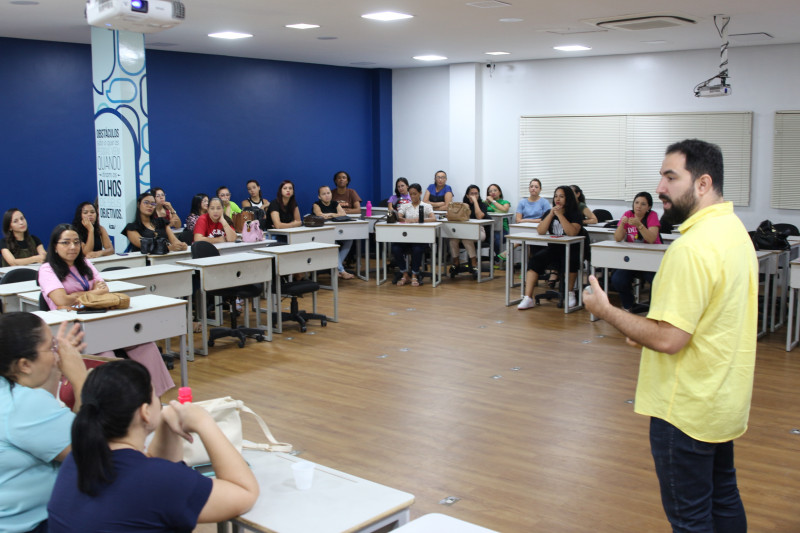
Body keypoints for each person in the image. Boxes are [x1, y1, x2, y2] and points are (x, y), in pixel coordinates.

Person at [583, 139, 757, 532]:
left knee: (691, 519)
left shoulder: (691, 247)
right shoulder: (733, 231)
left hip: (685, 409)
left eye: (670, 176)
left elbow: (668, 339)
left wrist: (608, 311)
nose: (659, 187)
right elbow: (695, 320)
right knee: (723, 495)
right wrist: (643, 330)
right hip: (721, 401)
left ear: (702, 183)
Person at [47, 359, 259, 532]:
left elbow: (154, 472)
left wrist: (165, 422)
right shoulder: (157, 480)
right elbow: (244, 492)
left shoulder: (78, 460)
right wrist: (204, 422)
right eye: (156, 396)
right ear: (144, 412)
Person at [39, 224, 175, 397]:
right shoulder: (47, 269)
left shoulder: (85, 263)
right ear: (55, 246)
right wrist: (93, 293)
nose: (72, 247)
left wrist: (80, 295)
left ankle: (153, 398)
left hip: (98, 317)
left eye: (76, 242)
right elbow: (60, 300)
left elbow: (104, 289)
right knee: (106, 353)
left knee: (145, 343)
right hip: (72, 327)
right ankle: (117, 405)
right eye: (66, 243)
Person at [0, 314, 88, 533]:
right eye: (51, 347)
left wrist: (52, 364)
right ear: (24, 364)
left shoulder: (11, 392)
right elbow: (93, 448)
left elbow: (42, 410)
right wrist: (80, 378)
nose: (57, 352)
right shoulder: (22, 406)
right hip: (32, 526)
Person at [517, 186, 583, 310]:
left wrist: (560, 215)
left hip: (572, 250)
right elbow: (541, 231)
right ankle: (528, 298)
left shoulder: (575, 213)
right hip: (554, 249)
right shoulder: (549, 212)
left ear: (568, 198)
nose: (558, 199)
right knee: (534, 261)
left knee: (571, 261)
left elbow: (572, 232)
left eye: (561, 196)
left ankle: (570, 293)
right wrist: (551, 214)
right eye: (556, 196)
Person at [610, 192, 662, 311]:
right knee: (618, 279)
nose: (638, 206)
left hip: (650, 259)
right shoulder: (628, 214)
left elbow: (651, 239)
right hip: (631, 259)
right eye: (636, 203)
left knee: (656, 281)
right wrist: (622, 224)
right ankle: (628, 305)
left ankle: (655, 309)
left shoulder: (652, 216)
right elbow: (617, 238)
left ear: (648, 208)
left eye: (643, 204)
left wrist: (639, 225)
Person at [393, 183, 436, 287]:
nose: (412, 196)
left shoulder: (426, 206)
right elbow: (399, 217)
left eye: (415, 194)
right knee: (395, 248)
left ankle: (415, 274)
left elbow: (433, 218)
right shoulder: (405, 206)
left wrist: (418, 220)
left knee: (417, 249)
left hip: (421, 239)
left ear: (420, 193)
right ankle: (404, 274)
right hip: (407, 238)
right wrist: (405, 219)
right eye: (411, 194)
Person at [122, 192, 188, 253]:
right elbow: (145, 246)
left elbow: (174, 240)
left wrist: (181, 245)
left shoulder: (161, 221)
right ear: (139, 205)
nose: (150, 206)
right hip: (144, 261)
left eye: (153, 203)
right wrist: (169, 248)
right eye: (146, 202)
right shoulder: (131, 227)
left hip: (166, 257)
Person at [313, 185, 354, 279]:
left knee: (349, 240)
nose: (327, 195)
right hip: (322, 234)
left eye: (328, 193)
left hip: (336, 231)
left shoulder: (335, 203)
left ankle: (336, 268)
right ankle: (341, 270)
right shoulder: (316, 204)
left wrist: (330, 214)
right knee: (333, 242)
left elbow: (343, 214)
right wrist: (336, 215)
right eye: (323, 194)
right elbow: (320, 215)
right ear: (319, 196)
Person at [448, 184, 488, 277]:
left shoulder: (482, 205)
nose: (474, 195)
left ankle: (474, 264)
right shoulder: (463, 205)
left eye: (476, 194)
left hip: (479, 231)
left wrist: (475, 202)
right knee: (453, 239)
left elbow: (479, 216)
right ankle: (456, 262)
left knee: (467, 238)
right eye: (472, 194)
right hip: (463, 231)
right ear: (467, 195)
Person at [485, 183, 510, 259]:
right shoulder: (486, 203)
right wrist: (487, 203)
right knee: (488, 238)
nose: (493, 192)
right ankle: (498, 258)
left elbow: (504, 210)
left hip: (502, 229)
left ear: (499, 192)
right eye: (490, 191)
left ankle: (500, 259)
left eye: (495, 190)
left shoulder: (505, 202)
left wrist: (493, 201)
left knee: (495, 238)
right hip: (488, 228)